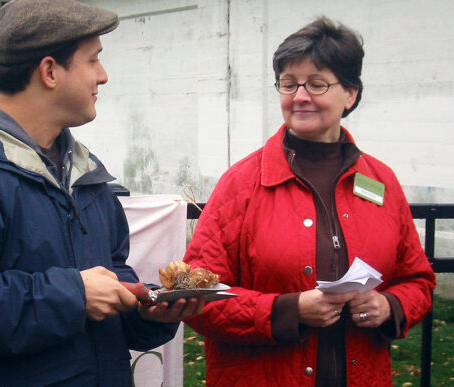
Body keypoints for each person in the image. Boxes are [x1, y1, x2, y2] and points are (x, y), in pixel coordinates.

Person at [0, 0, 203, 385]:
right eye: (93, 61)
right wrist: (73, 297)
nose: (103, 76)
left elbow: (107, 278)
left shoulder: (83, 171)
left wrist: (144, 311)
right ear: (50, 71)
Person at [183, 16, 436, 387]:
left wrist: (390, 305)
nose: (300, 96)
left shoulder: (381, 182)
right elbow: (198, 295)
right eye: (289, 84)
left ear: (350, 94)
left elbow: (417, 279)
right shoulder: (241, 184)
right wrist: (288, 311)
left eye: (317, 84)